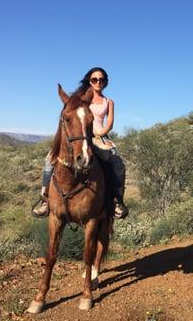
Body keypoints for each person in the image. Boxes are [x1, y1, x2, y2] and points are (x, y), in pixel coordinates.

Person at [32, 67, 129, 219]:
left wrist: (100, 134)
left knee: (117, 163)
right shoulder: (80, 99)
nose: (98, 82)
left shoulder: (108, 102)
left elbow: (109, 123)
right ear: (89, 81)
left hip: (99, 135)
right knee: (49, 159)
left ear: (105, 82)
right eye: (94, 79)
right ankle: (44, 198)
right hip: (80, 135)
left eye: (101, 79)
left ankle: (116, 200)